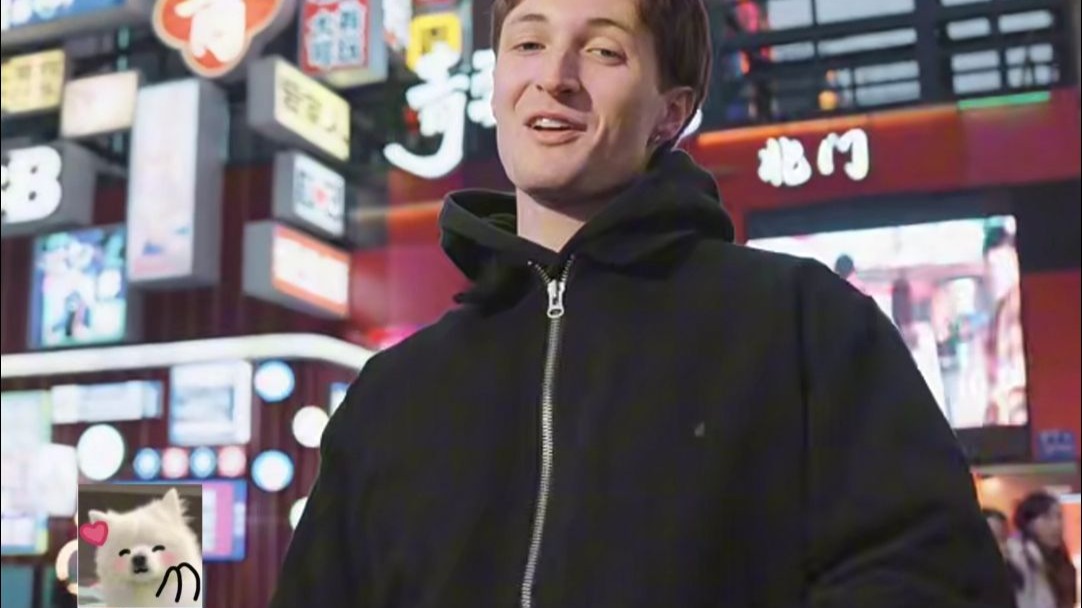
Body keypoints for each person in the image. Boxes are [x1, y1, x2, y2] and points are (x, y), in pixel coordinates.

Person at [270, 0, 1016, 606]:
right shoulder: (394, 392)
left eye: (603, 50)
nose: (554, 77)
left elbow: (931, 576)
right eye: (527, 43)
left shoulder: (803, 325)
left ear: (671, 113)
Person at [1008, 492, 1078, 608]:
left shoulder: (1060, 555)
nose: (1057, 525)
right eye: (1047, 518)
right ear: (1028, 523)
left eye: (1059, 517)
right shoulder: (1018, 556)